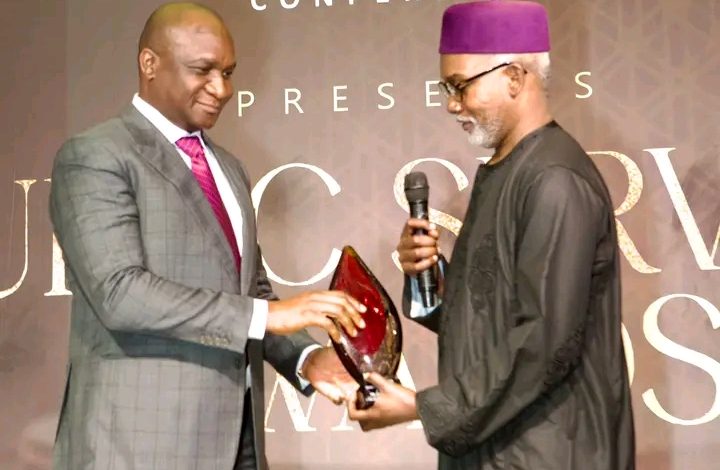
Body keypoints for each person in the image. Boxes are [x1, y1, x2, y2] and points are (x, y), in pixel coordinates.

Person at [49, 3, 365, 469]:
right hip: (137, 448)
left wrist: (306, 358)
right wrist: (268, 314)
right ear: (149, 63)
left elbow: (250, 290)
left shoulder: (230, 168)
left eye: (228, 72)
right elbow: (119, 293)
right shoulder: (96, 156)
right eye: (203, 70)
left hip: (237, 441)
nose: (222, 89)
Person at [347, 1, 635, 469]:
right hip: (499, 446)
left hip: (549, 451)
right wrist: (430, 278)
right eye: (446, 88)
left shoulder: (554, 180)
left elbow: (545, 343)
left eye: (460, 85)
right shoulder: (508, 170)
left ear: (515, 77)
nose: (451, 104)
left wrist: (423, 408)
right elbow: (492, 320)